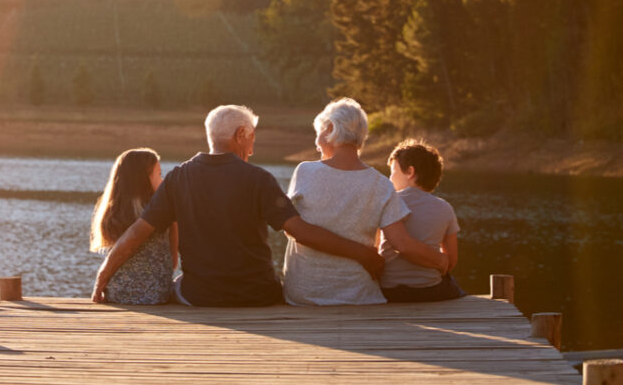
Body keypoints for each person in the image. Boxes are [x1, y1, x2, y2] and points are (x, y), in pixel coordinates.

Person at [93, 105, 383, 307]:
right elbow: (300, 231)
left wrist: (101, 279)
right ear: (240, 134)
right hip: (258, 296)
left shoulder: (178, 178)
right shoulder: (259, 179)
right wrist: (363, 254)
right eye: (252, 139)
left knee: (178, 284)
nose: (253, 150)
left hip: (199, 297)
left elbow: (135, 235)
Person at [282, 98, 448, 305]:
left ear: (330, 129)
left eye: (318, 134)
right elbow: (402, 244)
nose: (316, 145)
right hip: (358, 296)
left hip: (304, 294)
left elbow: (292, 230)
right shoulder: (381, 184)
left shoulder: (305, 171)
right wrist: (441, 260)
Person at [379, 139, 466, 302]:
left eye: (393, 171)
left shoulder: (387, 203)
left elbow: (377, 250)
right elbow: (452, 261)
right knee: (453, 285)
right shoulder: (445, 208)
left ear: (410, 172)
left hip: (389, 291)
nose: (390, 178)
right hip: (430, 290)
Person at [89, 148, 178, 304]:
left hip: (118, 293)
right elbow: (173, 260)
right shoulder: (163, 211)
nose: (162, 180)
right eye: (159, 174)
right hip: (156, 295)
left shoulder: (112, 212)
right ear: (143, 179)